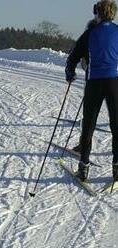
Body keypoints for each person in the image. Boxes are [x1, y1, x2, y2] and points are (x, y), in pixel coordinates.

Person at [65, 0, 118, 183]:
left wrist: (70, 72)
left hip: (94, 83)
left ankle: (83, 168)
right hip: (114, 83)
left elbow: (73, 56)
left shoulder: (90, 33)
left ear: (99, 13)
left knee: (88, 125)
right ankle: (117, 168)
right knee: (116, 126)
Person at [72, 2, 101, 153]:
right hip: (109, 77)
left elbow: (81, 51)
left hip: (95, 77)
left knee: (89, 116)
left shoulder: (91, 29)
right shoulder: (111, 30)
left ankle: (83, 148)